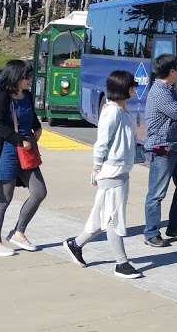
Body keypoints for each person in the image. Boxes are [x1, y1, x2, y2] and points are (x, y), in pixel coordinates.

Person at [63, 70, 142, 279]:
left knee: (101, 218)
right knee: (113, 219)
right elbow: (102, 143)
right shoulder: (112, 112)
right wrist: (96, 167)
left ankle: (75, 244)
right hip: (112, 173)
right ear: (123, 89)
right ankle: (121, 263)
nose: (135, 88)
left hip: (120, 173)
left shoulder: (123, 111)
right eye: (132, 86)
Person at [0, 60, 46, 257]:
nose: (29, 80)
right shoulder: (1, 97)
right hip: (7, 152)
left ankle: (19, 232)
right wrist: (19, 140)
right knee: (4, 199)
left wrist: (38, 128)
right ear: (16, 77)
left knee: (39, 192)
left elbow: (31, 117)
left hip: (27, 152)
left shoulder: (26, 95)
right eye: (26, 76)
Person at [142, 54, 177, 247]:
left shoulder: (170, 89)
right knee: (157, 192)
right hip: (163, 148)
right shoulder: (159, 92)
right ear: (172, 71)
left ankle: (176, 226)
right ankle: (151, 233)